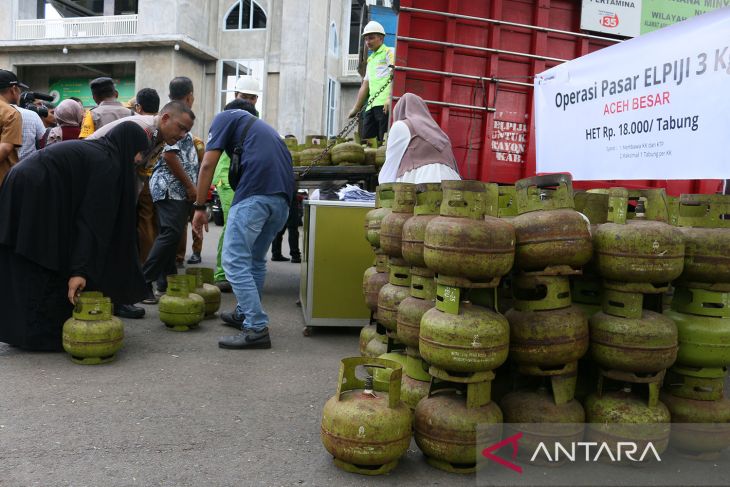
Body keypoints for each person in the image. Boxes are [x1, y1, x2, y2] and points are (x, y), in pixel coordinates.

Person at [0, 122, 150, 351]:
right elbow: (91, 220)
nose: (138, 159)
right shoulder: (108, 163)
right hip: (35, 190)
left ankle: (22, 331)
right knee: (41, 258)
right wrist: (80, 271)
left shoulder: (100, 152)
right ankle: (38, 334)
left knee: (29, 258)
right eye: (139, 151)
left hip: (24, 182)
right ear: (129, 145)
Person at [192, 107, 295, 350]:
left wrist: (199, 205)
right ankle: (244, 313)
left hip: (255, 196)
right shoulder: (264, 130)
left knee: (233, 261)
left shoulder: (224, 118)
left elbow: (208, 164)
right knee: (255, 260)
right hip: (281, 202)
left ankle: (257, 327)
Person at [86, 101, 195, 318]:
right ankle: (104, 299)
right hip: (96, 182)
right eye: (181, 128)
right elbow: (126, 164)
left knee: (122, 243)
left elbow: (136, 172)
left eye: (187, 131)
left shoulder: (158, 137)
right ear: (165, 118)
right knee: (108, 244)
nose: (183, 135)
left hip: (113, 186)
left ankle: (117, 299)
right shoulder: (143, 130)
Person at [142, 77, 199, 303]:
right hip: (170, 188)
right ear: (189, 96)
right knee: (170, 235)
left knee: (171, 235)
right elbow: (169, 155)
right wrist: (190, 186)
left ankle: (167, 282)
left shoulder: (180, 118)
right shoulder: (177, 120)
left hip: (174, 189)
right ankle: (144, 281)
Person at [211, 98, 259, 293]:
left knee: (243, 225)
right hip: (227, 176)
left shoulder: (250, 121)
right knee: (233, 224)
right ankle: (222, 274)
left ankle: (237, 270)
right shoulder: (228, 122)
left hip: (243, 176)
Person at [378, 93, 461, 184]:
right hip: (452, 185)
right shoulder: (442, 135)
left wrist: (384, 188)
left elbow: (391, 165)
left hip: (420, 183)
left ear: (399, 110)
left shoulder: (401, 126)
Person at [348, 21, 394, 143]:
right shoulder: (371, 59)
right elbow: (365, 85)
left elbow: (395, 76)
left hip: (383, 105)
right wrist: (356, 108)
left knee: (382, 141)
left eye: (371, 38)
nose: (368, 42)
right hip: (371, 107)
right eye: (366, 39)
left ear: (381, 38)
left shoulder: (389, 52)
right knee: (368, 141)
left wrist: (390, 99)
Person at [0, 69, 24, 187]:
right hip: (3, 180)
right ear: (13, 89)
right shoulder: (11, 113)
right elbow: (5, 148)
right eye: (19, 89)